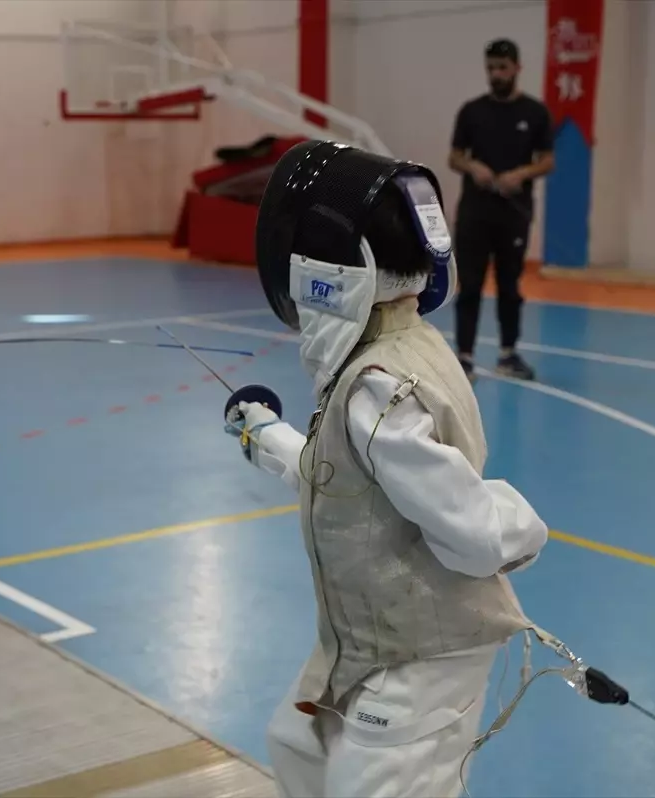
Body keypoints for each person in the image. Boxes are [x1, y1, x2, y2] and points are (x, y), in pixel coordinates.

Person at [229, 140, 549, 796]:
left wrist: (523, 525)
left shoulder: (377, 388)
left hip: (426, 654)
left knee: (373, 784)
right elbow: (342, 477)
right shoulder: (399, 350)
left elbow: (476, 536)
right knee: (297, 745)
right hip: (365, 642)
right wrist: (262, 433)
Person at [448, 38, 554, 381]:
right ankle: (463, 357)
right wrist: (473, 166)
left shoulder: (535, 113)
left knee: (510, 285)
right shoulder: (471, 111)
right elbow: (454, 156)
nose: (496, 74)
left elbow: (548, 160)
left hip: (514, 214)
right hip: (475, 213)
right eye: (491, 68)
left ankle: (508, 354)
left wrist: (521, 174)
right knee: (470, 286)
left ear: (517, 68)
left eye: (502, 68)